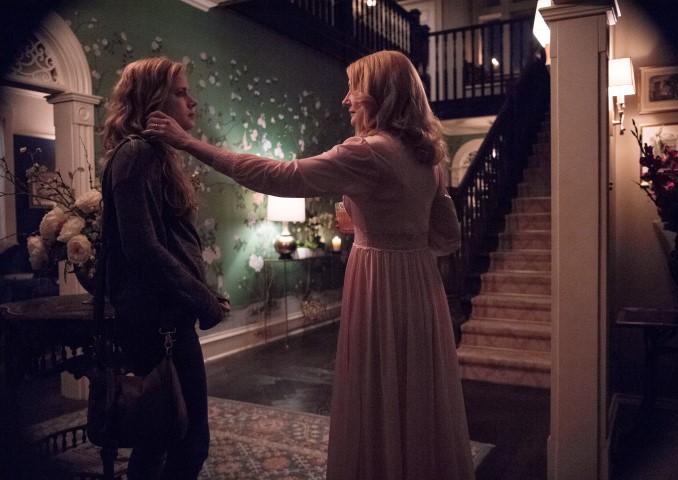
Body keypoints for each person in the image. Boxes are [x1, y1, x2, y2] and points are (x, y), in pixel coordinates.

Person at [145, 50, 474, 480]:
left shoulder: (369, 151)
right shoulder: (427, 157)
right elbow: (446, 237)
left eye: (354, 89)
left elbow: (280, 176)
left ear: (379, 95)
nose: (347, 100)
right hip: (420, 285)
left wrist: (190, 143)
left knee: (378, 389)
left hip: (380, 284)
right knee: (417, 391)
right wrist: (383, 229)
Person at [102, 56, 229, 479]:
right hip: (159, 324)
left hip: (166, 317)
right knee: (187, 443)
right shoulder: (137, 153)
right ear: (153, 100)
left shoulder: (152, 154)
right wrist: (204, 302)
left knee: (159, 438)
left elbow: (169, 244)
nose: (192, 102)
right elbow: (143, 249)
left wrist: (203, 295)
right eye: (180, 92)